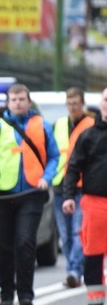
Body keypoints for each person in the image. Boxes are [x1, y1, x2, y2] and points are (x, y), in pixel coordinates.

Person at [0, 83, 59, 305]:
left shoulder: (42, 125)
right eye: (13, 99)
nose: (17, 103)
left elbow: (54, 157)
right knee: (4, 245)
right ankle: (6, 294)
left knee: (25, 242)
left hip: (32, 193)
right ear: (7, 103)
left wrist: (47, 177)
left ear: (29, 101)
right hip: (3, 195)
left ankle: (26, 294)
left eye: (21, 99)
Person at [62, 87, 107, 305]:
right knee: (93, 255)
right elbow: (73, 168)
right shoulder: (88, 136)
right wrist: (69, 195)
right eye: (106, 100)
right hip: (95, 203)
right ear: (100, 103)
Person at [52, 87, 94, 288]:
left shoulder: (91, 125)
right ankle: (73, 269)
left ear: (82, 104)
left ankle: (75, 271)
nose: (72, 107)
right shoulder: (59, 124)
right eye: (69, 103)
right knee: (65, 233)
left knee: (78, 231)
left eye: (76, 103)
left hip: (81, 185)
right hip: (60, 184)